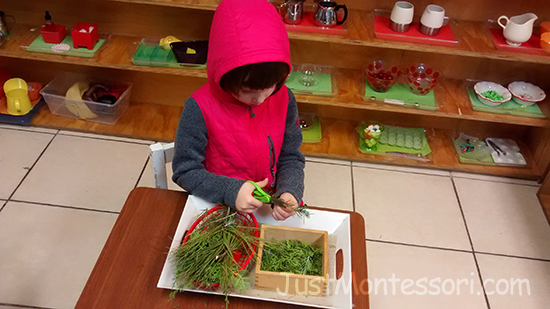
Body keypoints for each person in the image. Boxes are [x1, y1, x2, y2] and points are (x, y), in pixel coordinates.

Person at [172, 0, 305, 220]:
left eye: (269, 88)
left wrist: (290, 191)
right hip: (218, 207)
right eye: (249, 90)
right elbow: (185, 171)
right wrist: (231, 191)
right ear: (223, 74)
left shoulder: (284, 98)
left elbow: (290, 157)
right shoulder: (198, 108)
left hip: (266, 206)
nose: (261, 99)